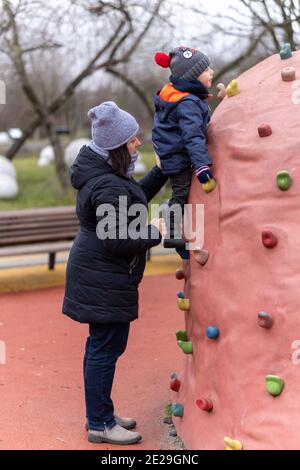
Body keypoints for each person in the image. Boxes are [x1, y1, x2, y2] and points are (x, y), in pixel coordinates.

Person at [62, 101, 167, 445]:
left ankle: (101, 414)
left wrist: (161, 171)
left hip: (100, 275)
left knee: (104, 347)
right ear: (117, 145)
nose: (138, 144)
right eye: (133, 140)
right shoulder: (106, 183)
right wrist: (157, 231)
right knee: (104, 349)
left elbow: (132, 198)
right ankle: (100, 424)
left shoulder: (108, 176)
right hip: (101, 277)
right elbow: (117, 237)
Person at [152, 46, 216, 250]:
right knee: (181, 192)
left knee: (182, 192)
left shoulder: (179, 96)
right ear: (193, 77)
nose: (211, 72)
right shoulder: (187, 102)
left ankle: (175, 222)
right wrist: (202, 166)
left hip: (170, 149)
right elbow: (192, 136)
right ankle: (173, 232)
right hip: (176, 154)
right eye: (206, 70)